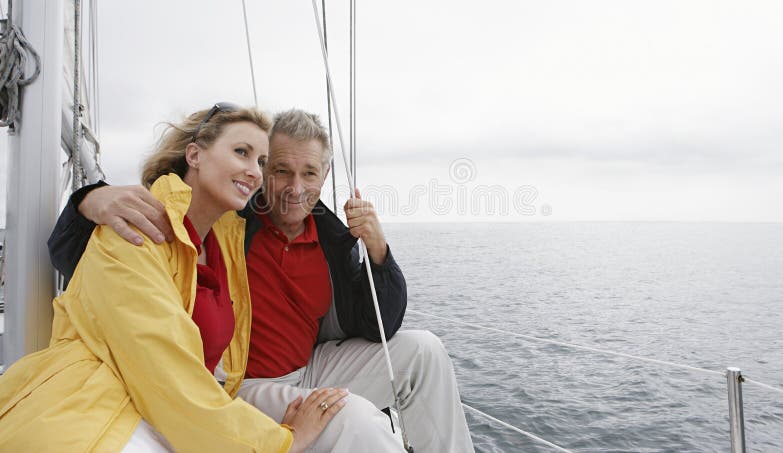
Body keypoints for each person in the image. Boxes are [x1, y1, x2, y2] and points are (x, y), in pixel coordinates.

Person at [49, 109, 475, 452]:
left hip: (310, 367)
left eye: (309, 174)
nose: (294, 188)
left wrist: (379, 253)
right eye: (280, 170)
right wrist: (89, 198)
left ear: (323, 178)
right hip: (246, 383)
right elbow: (92, 254)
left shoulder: (330, 237)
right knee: (352, 417)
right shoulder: (233, 220)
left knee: (424, 349)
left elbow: (380, 323)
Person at [0, 104, 349, 452]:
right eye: (242, 152)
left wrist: (373, 250)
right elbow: (166, 372)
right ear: (195, 155)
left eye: (260, 162)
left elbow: (294, 202)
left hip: (168, 416)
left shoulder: (225, 237)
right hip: (96, 415)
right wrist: (283, 441)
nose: (255, 172)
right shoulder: (136, 230)